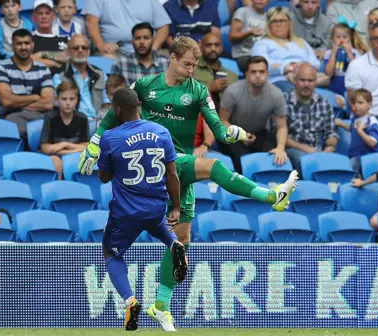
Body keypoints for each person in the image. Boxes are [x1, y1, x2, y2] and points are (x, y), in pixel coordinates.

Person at [78, 36, 299, 331]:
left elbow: (217, 128)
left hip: (178, 170)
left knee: (182, 242)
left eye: (195, 66)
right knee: (215, 166)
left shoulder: (198, 90)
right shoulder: (144, 86)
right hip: (159, 166)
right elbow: (115, 111)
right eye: (186, 64)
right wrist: (95, 141)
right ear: (171, 58)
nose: (191, 70)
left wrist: (230, 134)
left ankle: (160, 306)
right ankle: (271, 197)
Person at [97, 88, 186, 331]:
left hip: (126, 212)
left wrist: (98, 162)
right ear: (139, 106)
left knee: (111, 253)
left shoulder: (110, 137)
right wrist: (176, 207)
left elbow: (104, 177)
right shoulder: (161, 131)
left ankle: (130, 300)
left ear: (117, 110)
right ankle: (174, 244)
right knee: (159, 226)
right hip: (156, 206)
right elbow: (172, 174)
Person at [219, 56, 289, 172]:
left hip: (258, 133)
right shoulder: (233, 91)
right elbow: (222, 121)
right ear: (246, 74)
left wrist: (280, 148)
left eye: (261, 72)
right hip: (233, 133)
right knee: (242, 159)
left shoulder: (276, 94)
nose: (257, 75)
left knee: (273, 157)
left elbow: (282, 126)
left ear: (267, 73)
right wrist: (241, 136)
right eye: (253, 72)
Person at [0, 29, 54, 140]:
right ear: (12, 46)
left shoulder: (43, 69)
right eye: (19, 44)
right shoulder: (2, 67)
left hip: (39, 116)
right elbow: (6, 101)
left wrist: (15, 103)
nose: (23, 47)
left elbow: (48, 103)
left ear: (33, 45)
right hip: (11, 117)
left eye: (27, 43)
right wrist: (35, 97)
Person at [285, 63, 339, 170]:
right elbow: (279, 136)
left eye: (310, 81)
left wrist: (330, 146)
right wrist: (305, 148)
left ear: (316, 82)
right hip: (293, 149)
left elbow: (331, 132)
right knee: (303, 160)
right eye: (302, 80)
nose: (306, 84)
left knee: (337, 162)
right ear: (295, 81)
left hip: (318, 150)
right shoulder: (283, 101)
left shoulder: (324, 103)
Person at [52, 34, 110, 120]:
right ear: (68, 51)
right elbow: (59, 106)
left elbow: (107, 103)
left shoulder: (100, 75)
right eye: (76, 48)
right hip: (74, 124)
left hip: (99, 123)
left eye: (84, 47)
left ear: (89, 51)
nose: (80, 50)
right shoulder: (59, 76)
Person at [39, 82, 89, 178]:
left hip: (74, 156)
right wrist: (75, 148)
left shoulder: (82, 118)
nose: (68, 103)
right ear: (57, 100)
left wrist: (64, 145)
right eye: (64, 99)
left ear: (77, 100)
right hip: (56, 157)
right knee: (55, 161)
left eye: (71, 99)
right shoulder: (50, 117)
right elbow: (45, 148)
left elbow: (86, 147)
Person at [335, 89, 378, 175]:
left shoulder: (372, 122)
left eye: (360, 103)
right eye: (353, 103)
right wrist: (340, 123)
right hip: (355, 156)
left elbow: (372, 143)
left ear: (370, 104)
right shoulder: (355, 119)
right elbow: (352, 128)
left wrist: (360, 131)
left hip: (368, 159)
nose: (356, 106)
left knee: (351, 175)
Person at [322, 22, 366, 101]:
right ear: (332, 39)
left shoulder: (354, 53)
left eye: (345, 37)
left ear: (349, 38)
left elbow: (358, 70)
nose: (341, 40)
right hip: (334, 87)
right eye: (338, 37)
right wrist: (334, 54)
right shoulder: (328, 53)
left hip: (350, 87)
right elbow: (329, 73)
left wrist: (349, 53)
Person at [229, 0, 268, 72]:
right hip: (243, 55)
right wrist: (249, 33)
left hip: (262, 55)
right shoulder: (242, 12)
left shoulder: (268, 17)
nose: (261, 1)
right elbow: (232, 36)